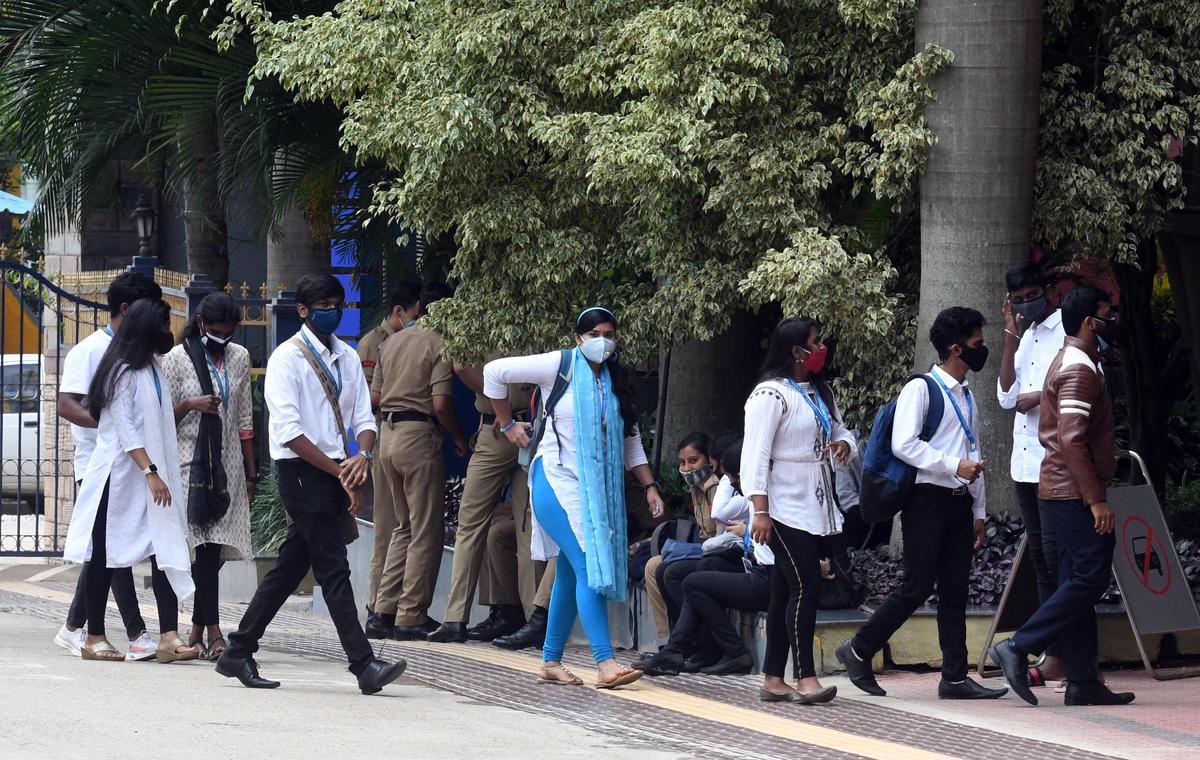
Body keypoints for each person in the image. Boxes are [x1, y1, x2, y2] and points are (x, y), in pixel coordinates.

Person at [217, 273, 405, 695]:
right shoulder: (288, 358)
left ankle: (238, 650)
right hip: (302, 471)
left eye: (337, 304)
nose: (331, 312)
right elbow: (288, 431)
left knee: (289, 568)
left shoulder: (348, 357)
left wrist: (363, 455)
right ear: (303, 311)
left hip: (338, 468)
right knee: (333, 567)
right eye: (322, 306)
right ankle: (364, 665)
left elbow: (362, 417)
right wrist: (340, 471)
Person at [483, 306, 666, 688]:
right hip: (555, 478)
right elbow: (494, 372)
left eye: (610, 334)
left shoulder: (615, 382)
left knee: (569, 569)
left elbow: (630, 442)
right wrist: (507, 425)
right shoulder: (559, 365)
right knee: (587, 563)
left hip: (595, 492)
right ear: (579, 337)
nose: (604, 342)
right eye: (596, 333)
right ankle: (606, 663)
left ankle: (550, 661)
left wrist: (649, 486)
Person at [837, 307, 1007, 701]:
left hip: (958, 503)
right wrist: (953, 465)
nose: (982, 350)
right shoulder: (921, 388)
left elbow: (973, 451)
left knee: (954, 590)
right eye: (977, 344)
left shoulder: (966, 396)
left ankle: (953, 677)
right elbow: (904, 444)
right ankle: (859, 648)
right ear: (954, 348)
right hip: (925, 501)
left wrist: (978, 511)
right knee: (917, 585)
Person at [991, 286, 1135, 707]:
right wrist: (1095, 500)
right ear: (1091, 322)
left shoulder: (1077, 359)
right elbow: (1071, 440)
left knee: (1078, 582)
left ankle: (1083, 680)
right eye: (1108, 314)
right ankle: (1017, 647)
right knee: (1089, 579)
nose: (1113, 321)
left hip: (1060, 489)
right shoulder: (1078, 368)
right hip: (1071, 492)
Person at [62, 298, 198, 663]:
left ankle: (169, 636)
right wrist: (150, 472)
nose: (168, 333)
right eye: (163, 325)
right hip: (120, 477)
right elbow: (124, 428)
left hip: (151, 474)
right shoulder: (120, 371)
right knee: (105, 555)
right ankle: (93, 637)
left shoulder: (153, 367)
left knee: (163, 547)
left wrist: (158, 472)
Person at [742, 317, 850, 704]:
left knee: (783, 588)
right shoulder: (770, 395)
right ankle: (805, 677)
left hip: (816, 498)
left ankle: (773, 678)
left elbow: (841, 430)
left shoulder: (821, 391)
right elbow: (755, 453)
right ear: (795, 351)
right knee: (806, 584)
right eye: (815, 342)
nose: (821, 348)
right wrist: (760, 509)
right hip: (782, 502)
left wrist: (843, 446)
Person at [54, 272, 161, 660]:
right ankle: (132, 632)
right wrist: (113, 425)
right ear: (126, 309)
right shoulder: (90, 350)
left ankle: (73, 628)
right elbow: (67, 404)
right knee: (108, 546)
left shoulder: (143, 354)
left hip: (135, 462)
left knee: (113, 546)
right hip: (101, 462)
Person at [370, 283, 468, 641]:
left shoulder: (389, 342)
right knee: (425, 530)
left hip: (388, 437)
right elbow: (441, 404)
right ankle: (410, 616)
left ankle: (382, 611)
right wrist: (458, 436)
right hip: (417, 435)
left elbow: (376, 397)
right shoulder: (438, 343)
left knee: (403, 527)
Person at [163, 292, 256, 661]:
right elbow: (161, 420)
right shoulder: (176, 359)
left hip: (227, 464)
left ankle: (198, 630)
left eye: (229, 332)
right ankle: (215, 631)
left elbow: (246, 419)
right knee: (200, 548)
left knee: (212, 553)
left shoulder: (239, 357)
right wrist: (190, 405)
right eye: (217, 331)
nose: (224, 338)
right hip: (189, 463)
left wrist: (250, 474)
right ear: (201, 323)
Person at [635, 440, 771, 677]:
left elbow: (720, 512)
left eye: (729, 476)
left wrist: (747, 526)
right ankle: (689, 647)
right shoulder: (749, 495)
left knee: (692, 580)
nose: (687, 468)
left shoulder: (761, 495)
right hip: (748, 563)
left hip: (765, 574)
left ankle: (707, 649)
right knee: (672, 571)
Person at [427, 358, 535, 643]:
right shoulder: (539, 318)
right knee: (527, 528)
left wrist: (499, 403)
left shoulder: (479, 317)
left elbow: (461, 367)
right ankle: (534, 620)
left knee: (470, 525)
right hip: (530, 430)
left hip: (495, 430)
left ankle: (455, 619)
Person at [997, 261, 1069, 687]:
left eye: (1031, 296)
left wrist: (1037, 395)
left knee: (1059, 558)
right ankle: (1053, 652)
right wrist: (1010, 333)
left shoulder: (1065, 329)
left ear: (1048, 290)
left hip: (1054, 459)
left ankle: (1062, 653)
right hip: (1023, 463)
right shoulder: (1025, 336)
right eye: (1018, 300)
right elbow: (1006, 396)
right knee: (1041, 559)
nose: (1027, 304)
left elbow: (1081, 379)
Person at [357, 280, 422, 639]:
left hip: (391, 438)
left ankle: (389, 604)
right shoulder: (373, 343)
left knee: (401, 524)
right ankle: (375, 606)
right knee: (387, 528)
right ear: (400, 312)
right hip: (383, 435)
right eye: (415, 314)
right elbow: (368, 398)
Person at [643, 433, 723, 646]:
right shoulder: (696, 489)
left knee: (667, 571)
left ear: (709, 460)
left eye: (693, 461)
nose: (686, 468)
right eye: (682, 462)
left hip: (718, 554)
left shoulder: (715, 488)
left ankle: (690, 638)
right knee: (653, 566)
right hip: (705, 549)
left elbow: (723, 537)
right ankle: (667, 638)